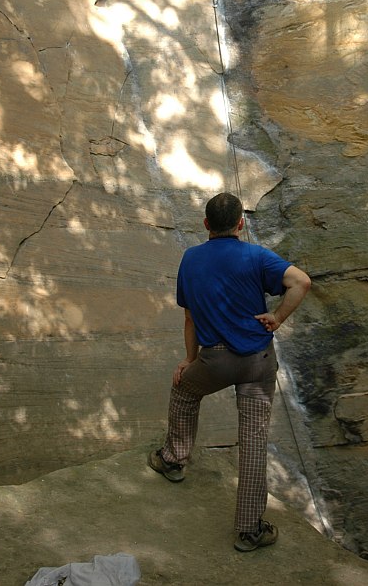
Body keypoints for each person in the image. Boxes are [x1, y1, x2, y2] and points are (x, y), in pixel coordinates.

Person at [148, 191, 311, 552]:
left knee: (185, 391)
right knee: (253, 441)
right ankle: (250, 530)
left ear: (206, 225)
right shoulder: (257, 256)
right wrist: (278, 317)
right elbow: (301, 282)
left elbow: (189, 317)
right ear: (241, 223)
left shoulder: (190, 259)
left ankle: (174, 460)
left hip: (214, 360)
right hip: (258, 361)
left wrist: (190, 360)